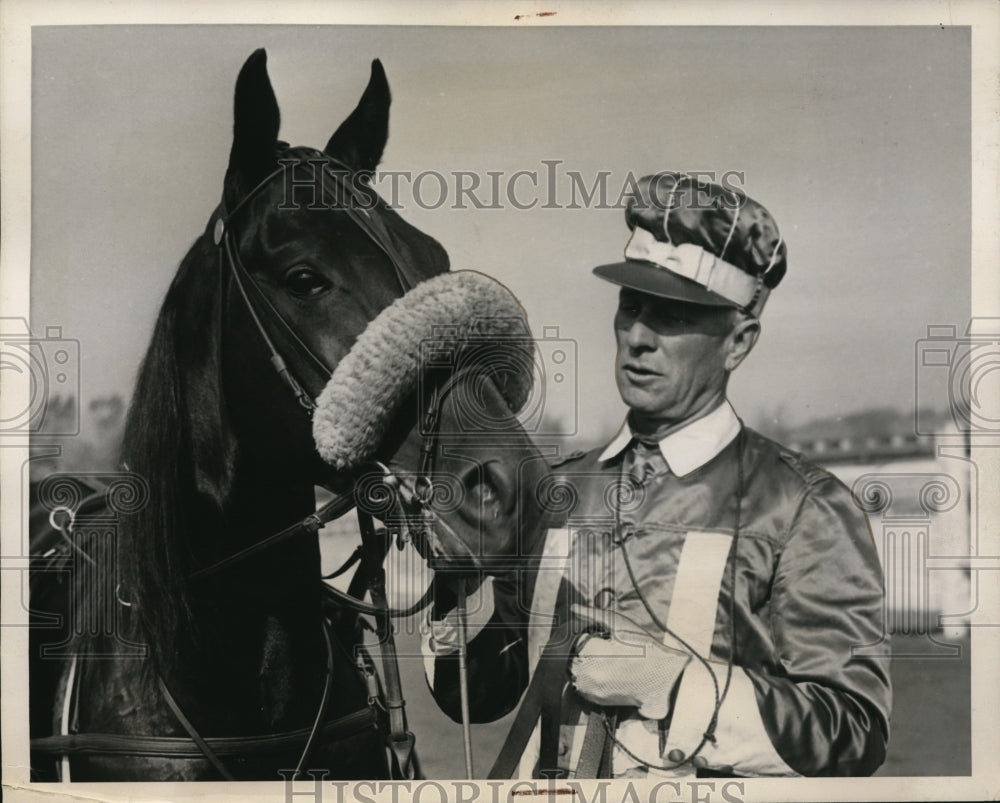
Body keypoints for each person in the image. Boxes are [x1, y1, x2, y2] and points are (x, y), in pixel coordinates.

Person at [422, 172, 891, 778]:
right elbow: (480, 697)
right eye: (632, 306)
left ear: (739, 341)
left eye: (671, 316)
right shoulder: (552, 495)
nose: (637, 338)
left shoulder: (805, 506)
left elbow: (853, 734)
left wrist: (674, 686)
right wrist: (457, 586)